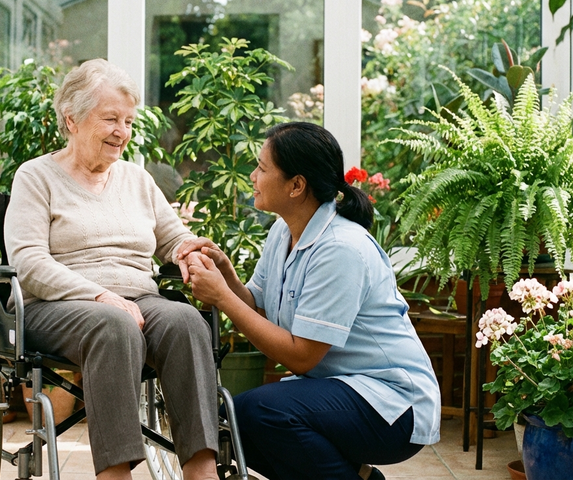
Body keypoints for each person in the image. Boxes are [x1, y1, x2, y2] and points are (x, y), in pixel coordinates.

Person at [179, 121, 441, 480]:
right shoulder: (283, 231)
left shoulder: (341, 249)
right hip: (344, 390)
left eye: (262, 168)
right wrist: (226, 274)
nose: (252, 176)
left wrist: (222, 297)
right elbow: (256, 304)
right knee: (236, 423)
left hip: (392, 403)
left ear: (296, 185)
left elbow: (301, 356)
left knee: (263, 413)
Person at [4, 58, 218, 480]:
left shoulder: (137, 180)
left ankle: (201, 469)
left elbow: (173, 238)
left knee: (185, 320)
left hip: (137, 299)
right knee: (112, 325)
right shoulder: (36, 177)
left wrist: (188, 253)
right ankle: (115, 474)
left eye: (128, 121)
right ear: (72, 119)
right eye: (110, 119)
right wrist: (101, 295)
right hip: (60, 305)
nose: (122, 132)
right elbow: (28, 262)